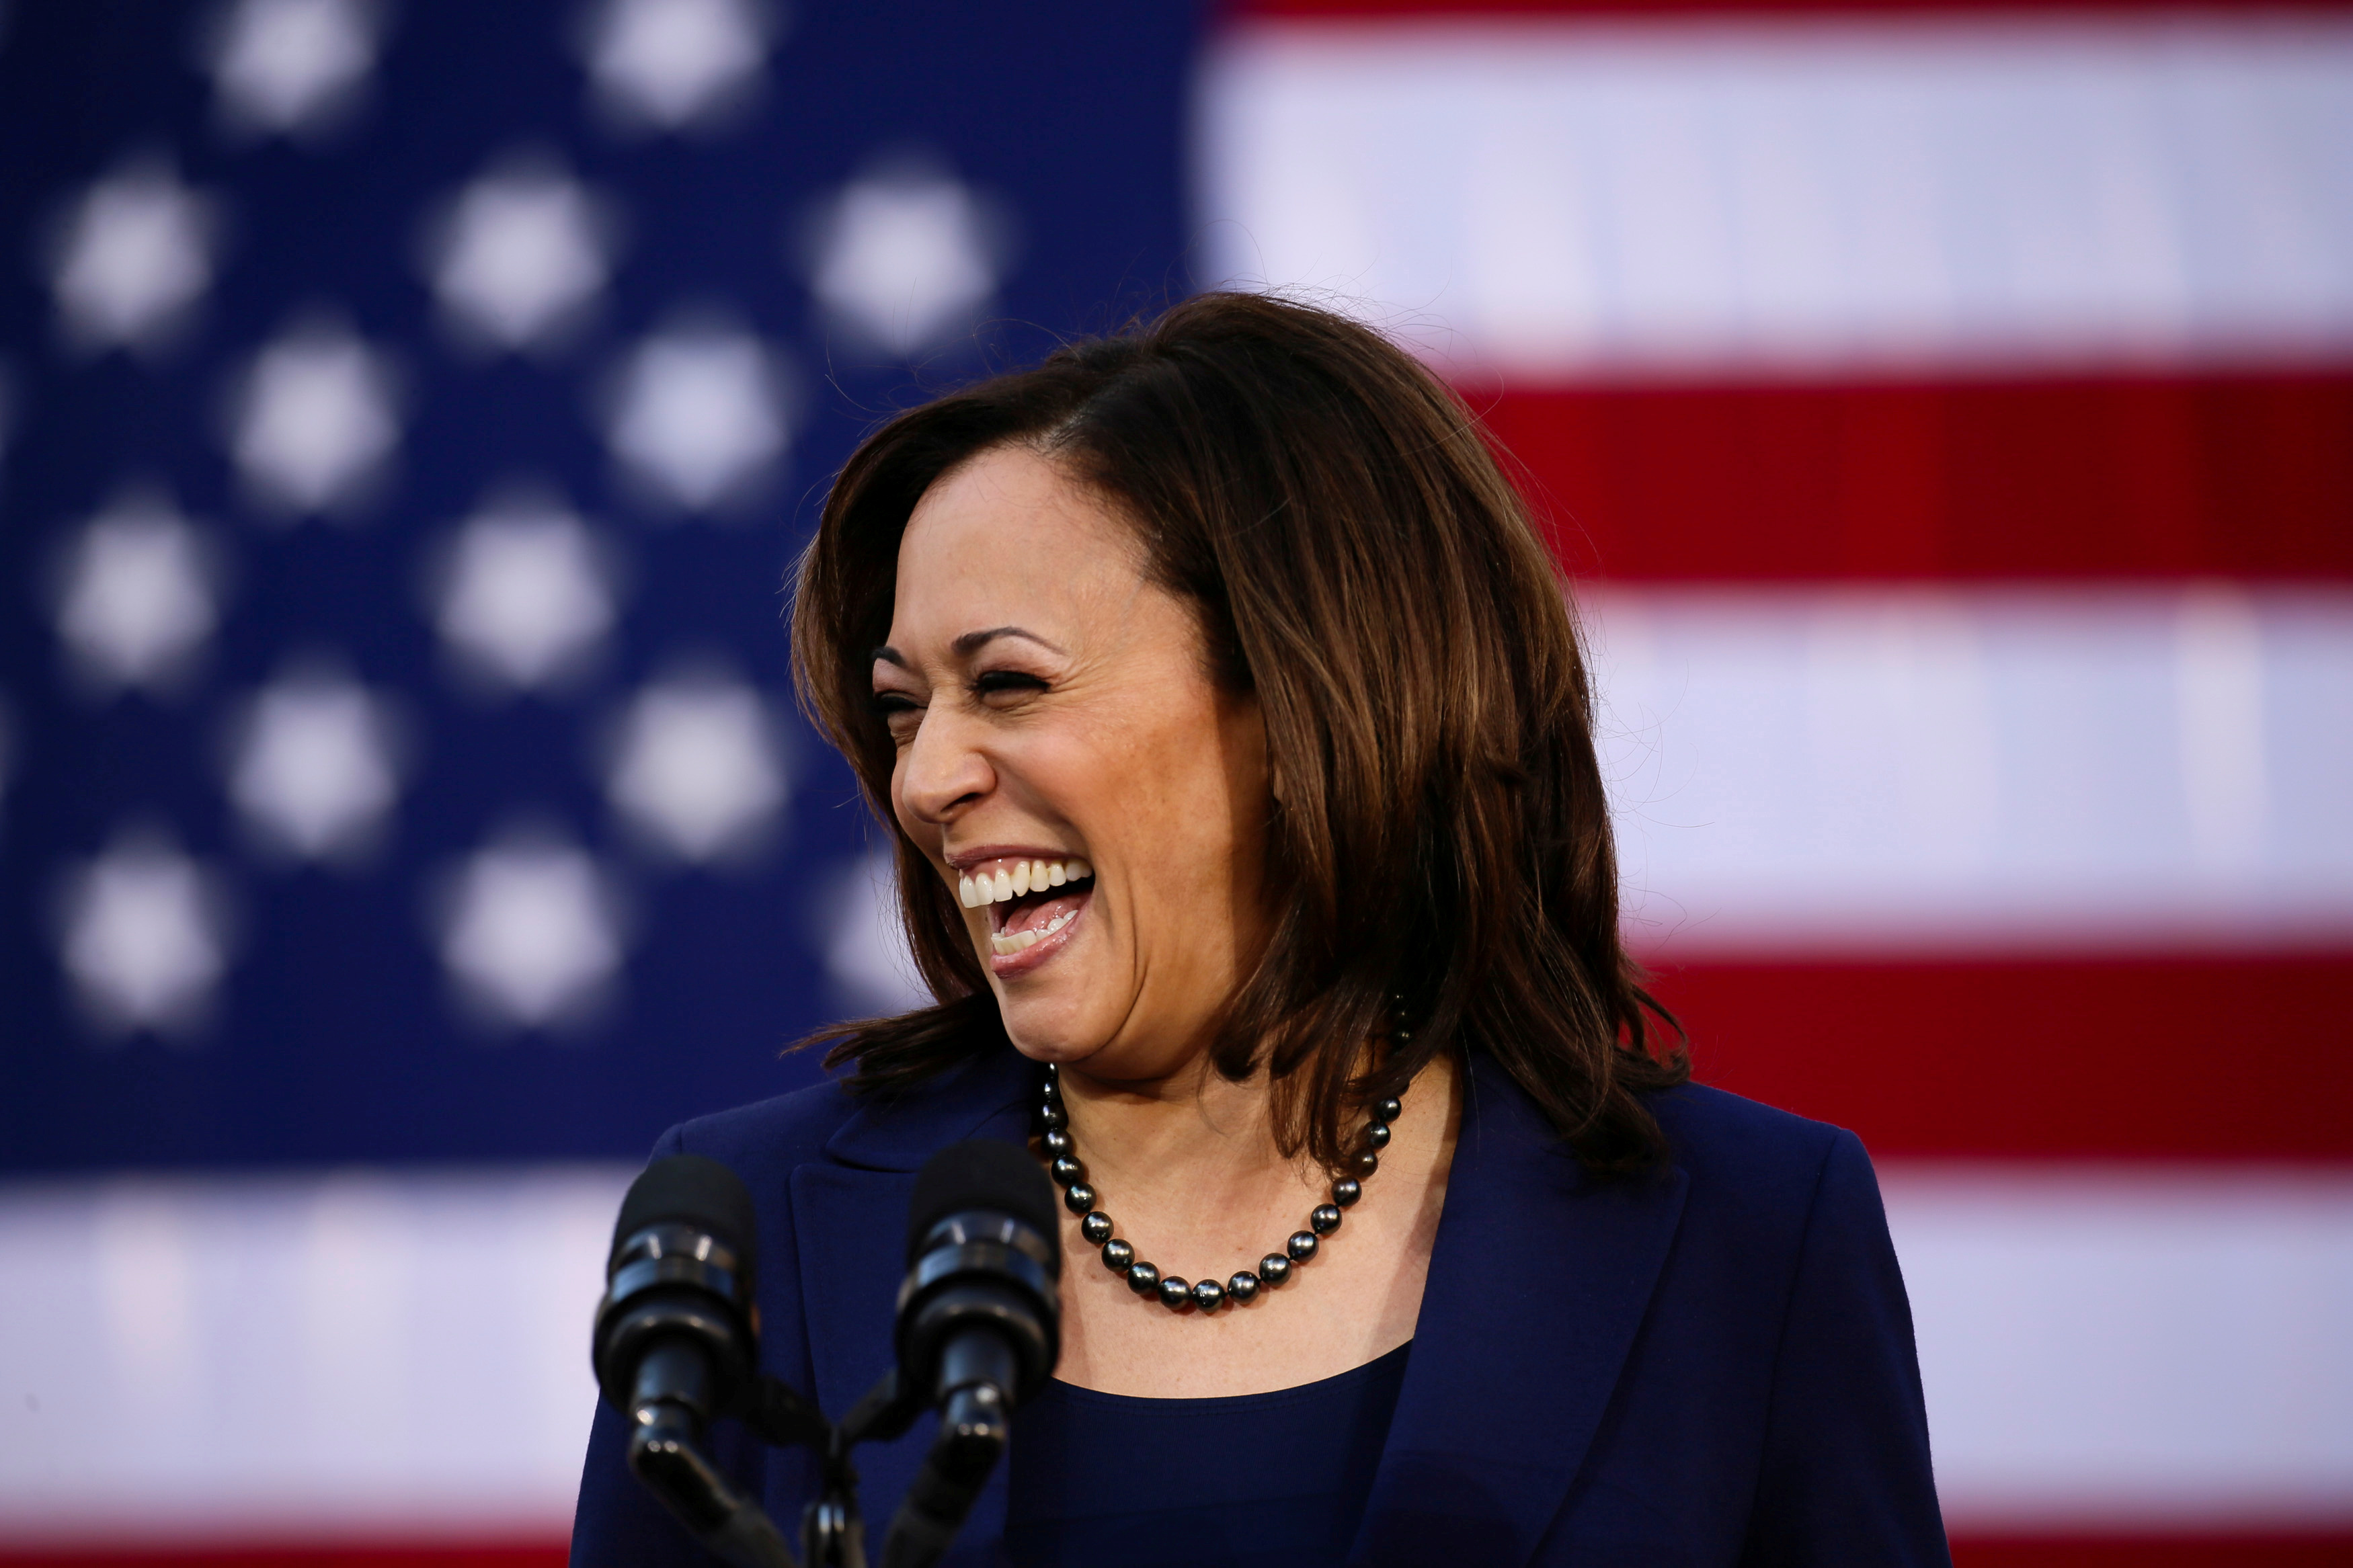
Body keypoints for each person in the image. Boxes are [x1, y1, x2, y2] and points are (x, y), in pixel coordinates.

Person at [571, 293, 1950, 1566]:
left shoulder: (1749, 1241)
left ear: (1306, 705)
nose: (925, 779)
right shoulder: (748, 1235)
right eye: (902, 706)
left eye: (1007, 683)